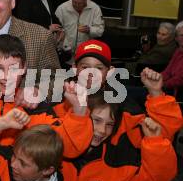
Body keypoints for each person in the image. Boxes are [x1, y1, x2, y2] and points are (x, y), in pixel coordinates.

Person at [61, 90, 178, 181]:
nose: (102, 130)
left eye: (110, 124)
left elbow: (157, 178)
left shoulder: (118, 161)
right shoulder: (56, 153)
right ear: (79, 114)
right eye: (96, 120)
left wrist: (155, 143)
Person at [54, 39, 183, 146]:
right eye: (85, 67)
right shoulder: (57, 101)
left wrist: (156, 94)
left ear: (109, 71)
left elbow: (160, 138)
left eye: (99, 68)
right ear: (75, 69)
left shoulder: (123, 107)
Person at [55, 0, 104, 65]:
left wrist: (90, 30)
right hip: (65, 54)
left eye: (80, 3)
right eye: (75, 2)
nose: (77, 5)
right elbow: (57, 31)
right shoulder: (62, 9)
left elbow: (100, 30)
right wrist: (66, 46)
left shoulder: (95, 8)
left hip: (86, 54)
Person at [161, 21, 183, 95]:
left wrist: (161, 84)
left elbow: (179, 80)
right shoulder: (178, 51)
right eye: (182, 35)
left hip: (175, 94)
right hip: (166, 89)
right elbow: (167, 72)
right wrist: (156, 78)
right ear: (176, 38)